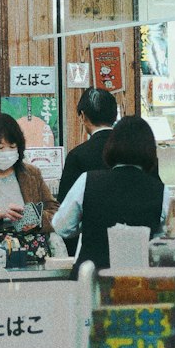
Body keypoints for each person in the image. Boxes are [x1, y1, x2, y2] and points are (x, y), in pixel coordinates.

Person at [52, 114, 168, 273]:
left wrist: (87, 223)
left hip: (91, 277)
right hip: (137, 282)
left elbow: (62, 227)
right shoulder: (161, 191)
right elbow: (162, 238)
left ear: (111, 145)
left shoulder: (87, 180)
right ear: (150, 151)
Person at [0, 112, 58, 245]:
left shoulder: (32, 174)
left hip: (31, 252)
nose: (6, 152)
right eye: (0, 147)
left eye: (12, 147)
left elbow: (55, 213)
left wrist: (36, 220)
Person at [55, 88, 118, 255]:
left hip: (93, 249)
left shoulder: (78, 156)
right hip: (136, 249)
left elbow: (64, 215)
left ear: (83, 116)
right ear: (115, 116)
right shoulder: (137, 153)